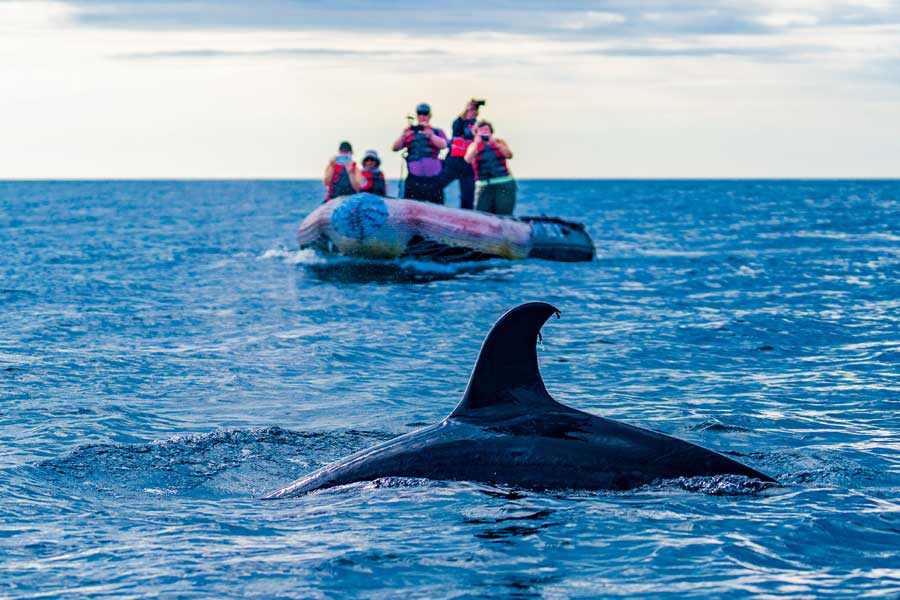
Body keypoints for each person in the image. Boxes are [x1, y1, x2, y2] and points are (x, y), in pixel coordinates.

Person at [392, 102, 448, 204]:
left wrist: (430, 135)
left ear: (429, 115)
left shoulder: (436, 132)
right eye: (420, 113)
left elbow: (444, 145)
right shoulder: (410, 132)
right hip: (414, 180)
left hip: (433, 180)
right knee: (411, 209)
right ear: (417, 115)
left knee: (436, 208)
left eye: (425, 113)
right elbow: (395, 148)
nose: (422, 116)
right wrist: (404, 135)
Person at [464, 121, 516, 215]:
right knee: (481, 215)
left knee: (504, 215)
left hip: (504, 184)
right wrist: (476, 143)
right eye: (481, 130)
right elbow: (468, 159)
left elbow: (509, 155)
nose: (484, 132)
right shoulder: (473, 146)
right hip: (484, 186)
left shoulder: (499, 142)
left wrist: (496, 144)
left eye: (487, 130)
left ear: (491, 132)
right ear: (476, 133)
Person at [441, 99, 482, 209]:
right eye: (471, 109)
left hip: (468, 166)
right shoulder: (459, 123)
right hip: (453, 163)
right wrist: (466, 109)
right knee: (436, 186)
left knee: (468, 198)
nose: (473, 112)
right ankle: (435, 208)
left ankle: (466, 220)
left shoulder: (479, 126)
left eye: (475, 110)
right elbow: (457, 126)